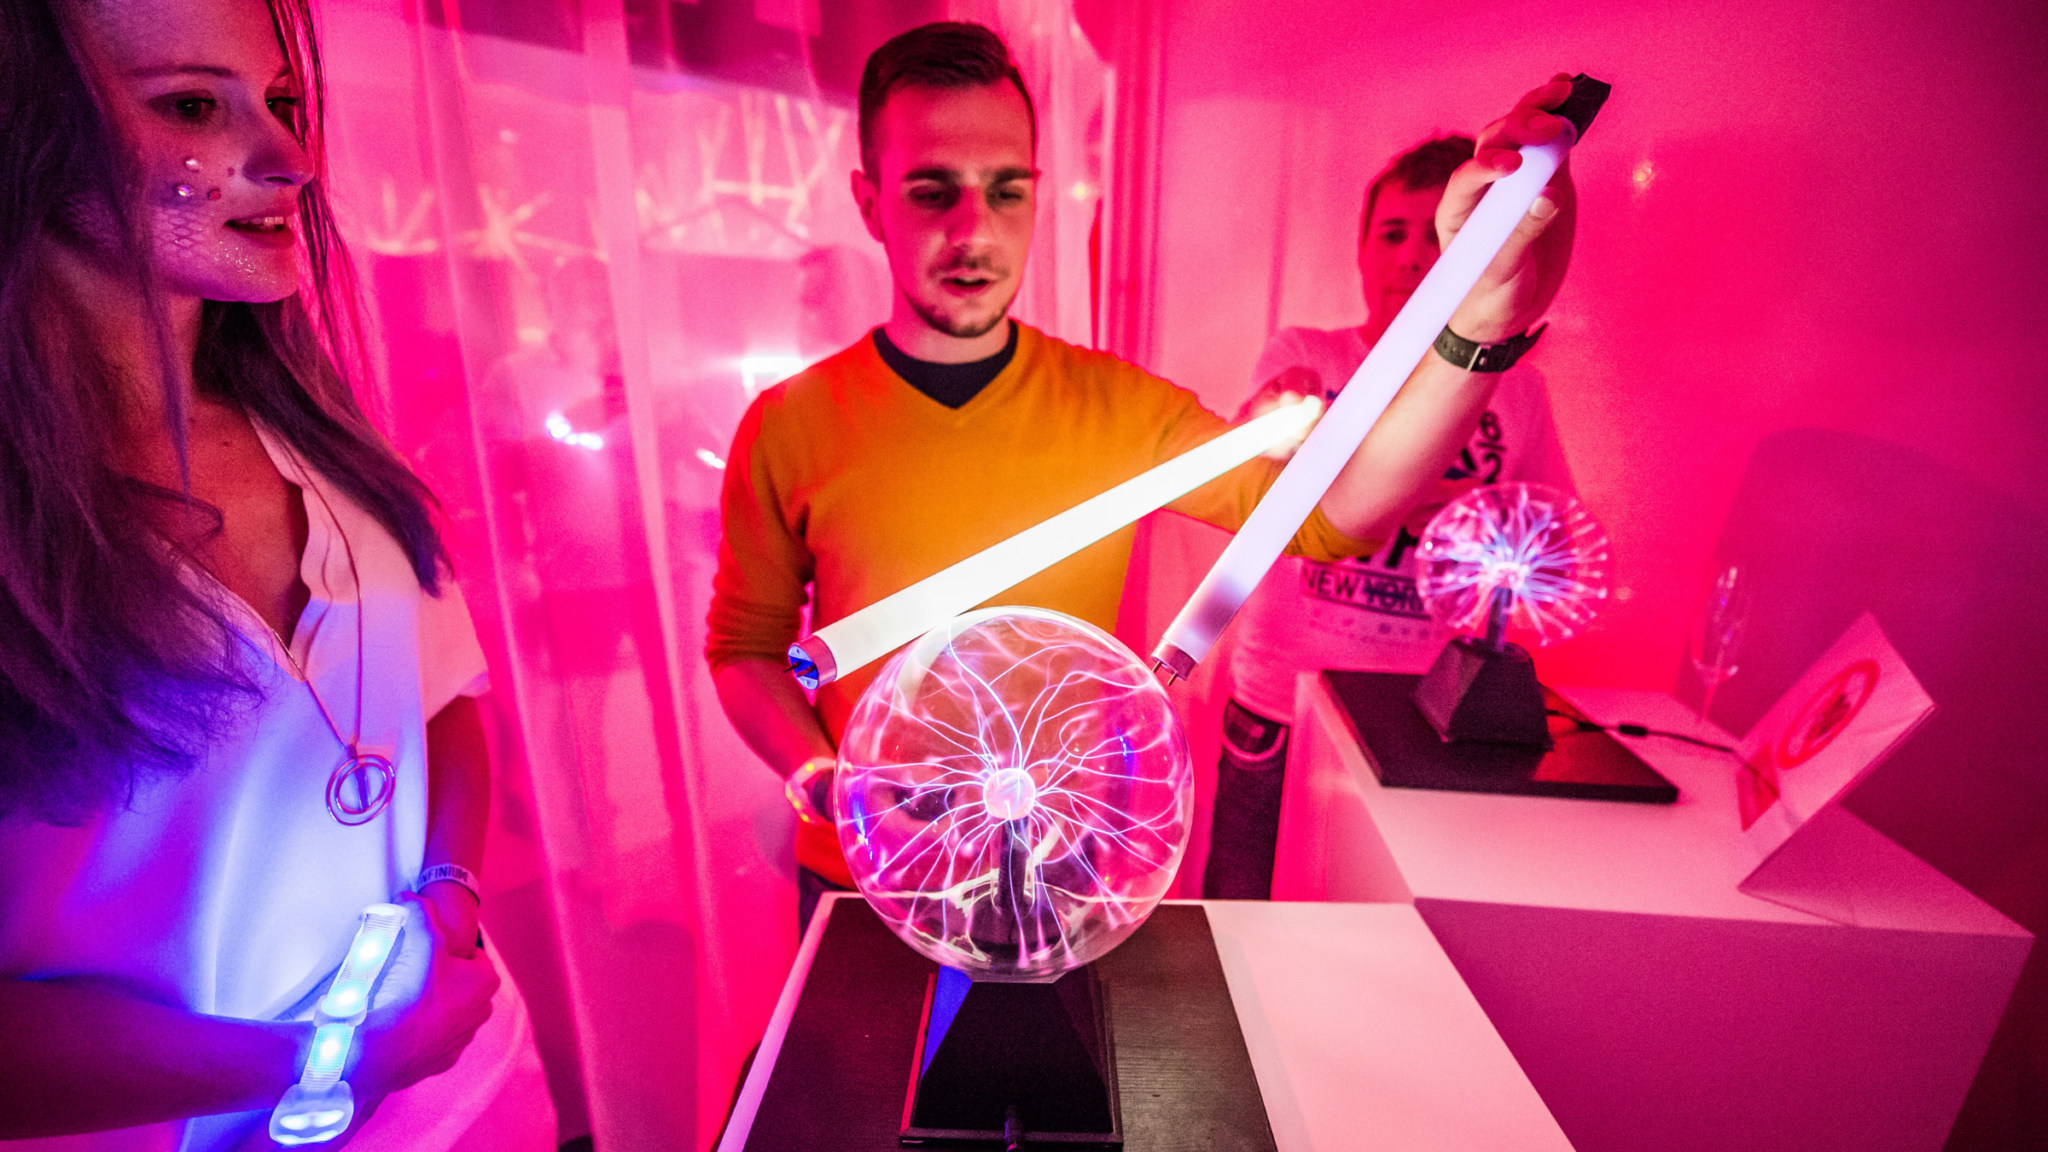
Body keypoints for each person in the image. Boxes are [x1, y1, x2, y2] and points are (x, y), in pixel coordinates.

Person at [706, 22, 1582, 932]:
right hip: (867, 869)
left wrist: (1482, 330)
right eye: (933, 191)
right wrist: (819, 774)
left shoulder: (1118, 409)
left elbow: (1329, 518)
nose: (975, 230)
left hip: (1056, 863)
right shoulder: (790, 424)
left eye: (1007, 191)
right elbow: (745, 648)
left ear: (1038, 194)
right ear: (869, 200)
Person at [0, 0, 553, 1148]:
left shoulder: (325, 446)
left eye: (284, 103)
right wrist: (320, 1063)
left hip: (465, 1093)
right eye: (195, 104)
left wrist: (448, 897)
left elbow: (443, 702)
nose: (295, 160)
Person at [1202, 136, 1579, 900]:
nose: (1412, 257)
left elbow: (1555, 539)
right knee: (1236, 914)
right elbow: (1245, 486)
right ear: (1360, 251)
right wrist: (1264, 422)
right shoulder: (1305, 353)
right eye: (1391, 234)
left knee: (1378, 925)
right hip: (1279, 709)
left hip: (1422, 718)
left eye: (1438, 236)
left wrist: (1465, 512)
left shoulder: (1517, 391)